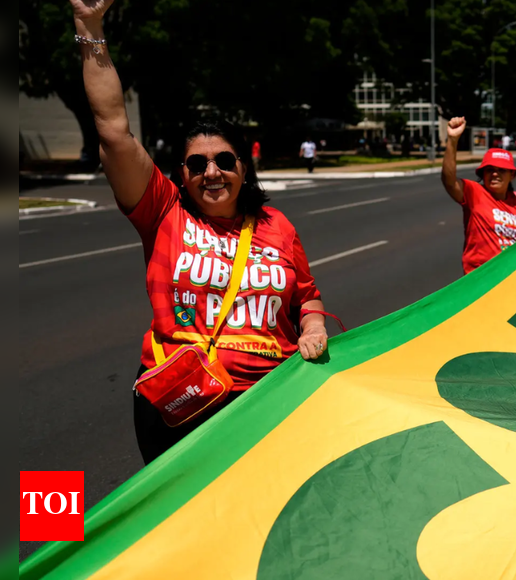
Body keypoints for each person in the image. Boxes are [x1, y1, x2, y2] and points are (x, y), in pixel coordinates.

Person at [70, 0, 332, 463]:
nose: (212, 172)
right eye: (197, 164)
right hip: (182, 402)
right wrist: (90, 27)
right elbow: (113, 130)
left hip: (273, 399)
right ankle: (54, 529)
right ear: (182, 174)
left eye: (224, 161)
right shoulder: (164, 212)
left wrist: (313, 328)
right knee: (177, 522)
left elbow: (306, 296)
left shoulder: (278, 226)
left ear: (244, 169)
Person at [441, 117, 516, 274]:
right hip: (482, 279)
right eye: (490, 170)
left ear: (512, 175)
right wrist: (452, 141)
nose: (495, 174)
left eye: (501, 170)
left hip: (511, 275)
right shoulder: (475, 192)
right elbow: (449, 182)